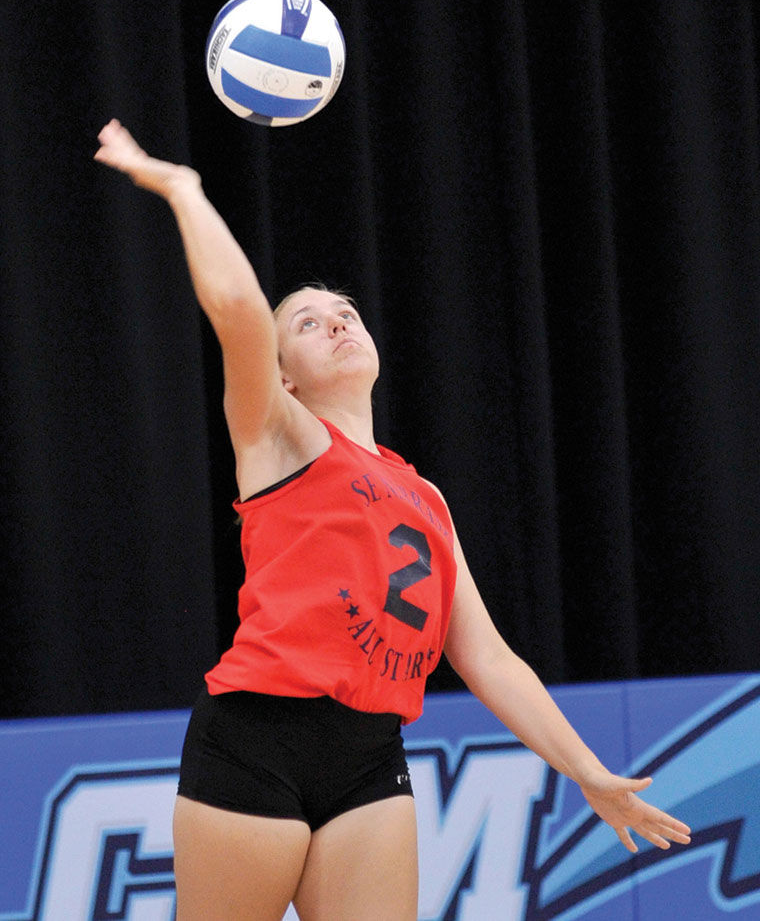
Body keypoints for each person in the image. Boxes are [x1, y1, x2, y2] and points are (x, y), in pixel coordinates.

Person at [94, 119, 691, 921]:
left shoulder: (427, 497)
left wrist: (587, 772)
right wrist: (183, 189)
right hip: (256, 737)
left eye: (344, 311)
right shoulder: (280, 435)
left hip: (369, 755)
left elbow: (490, 659)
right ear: (285, 378)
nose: (337, 321)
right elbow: (236, 306)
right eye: (308, 321)